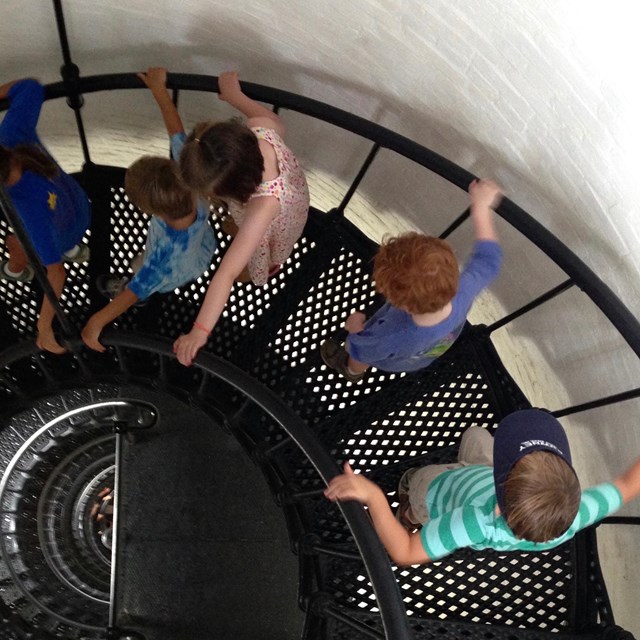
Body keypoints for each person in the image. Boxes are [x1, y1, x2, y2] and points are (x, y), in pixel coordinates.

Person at [324, 409, 639, 566]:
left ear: (499, 506)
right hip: (483, 475)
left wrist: (374, 496)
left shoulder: (472, 522)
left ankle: (408, 513)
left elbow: (406, 552)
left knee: (415, 480)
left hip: (440, 494)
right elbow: (627, 485)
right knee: (476, 434)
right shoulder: (575, 514)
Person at [173, 71, 309, 366]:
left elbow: (227, 273)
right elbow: (277, 122)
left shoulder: (261, 209)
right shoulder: (258, 131)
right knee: (245, 233)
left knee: (252, 252)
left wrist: (199, 332)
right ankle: (241, 233)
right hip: (290, 195)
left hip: (277, 222)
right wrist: (237, 98)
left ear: (235, 191)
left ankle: (263, 268)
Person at [81, 68, 217, 352]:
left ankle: (140, 294)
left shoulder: (161, 261)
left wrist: (96, 322)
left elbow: (132, 293)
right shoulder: (190, 177)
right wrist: (160, 91)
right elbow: (177, 132)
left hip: (177, 270)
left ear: (151, 211)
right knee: (141, 271)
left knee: (139, 279)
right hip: (201, 248)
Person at [321, 179, 503, 382]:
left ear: (402, 304)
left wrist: (354, 328)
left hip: (392, 357)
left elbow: (364, 351)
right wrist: (481, 208)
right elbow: (489, 261)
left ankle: (352, 372)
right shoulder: (463, 289)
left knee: (358, 354)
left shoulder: (392, 335)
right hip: (425, 354)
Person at [0, 78, 91, 353]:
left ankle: (16, 269)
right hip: (78, 206)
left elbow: (56, 273)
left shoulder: (27, 209)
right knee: (56, 231)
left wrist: (43, 327)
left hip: (58, 229)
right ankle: (72, 248)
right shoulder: (11, 135)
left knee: (16, 243)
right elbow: (30, 87)